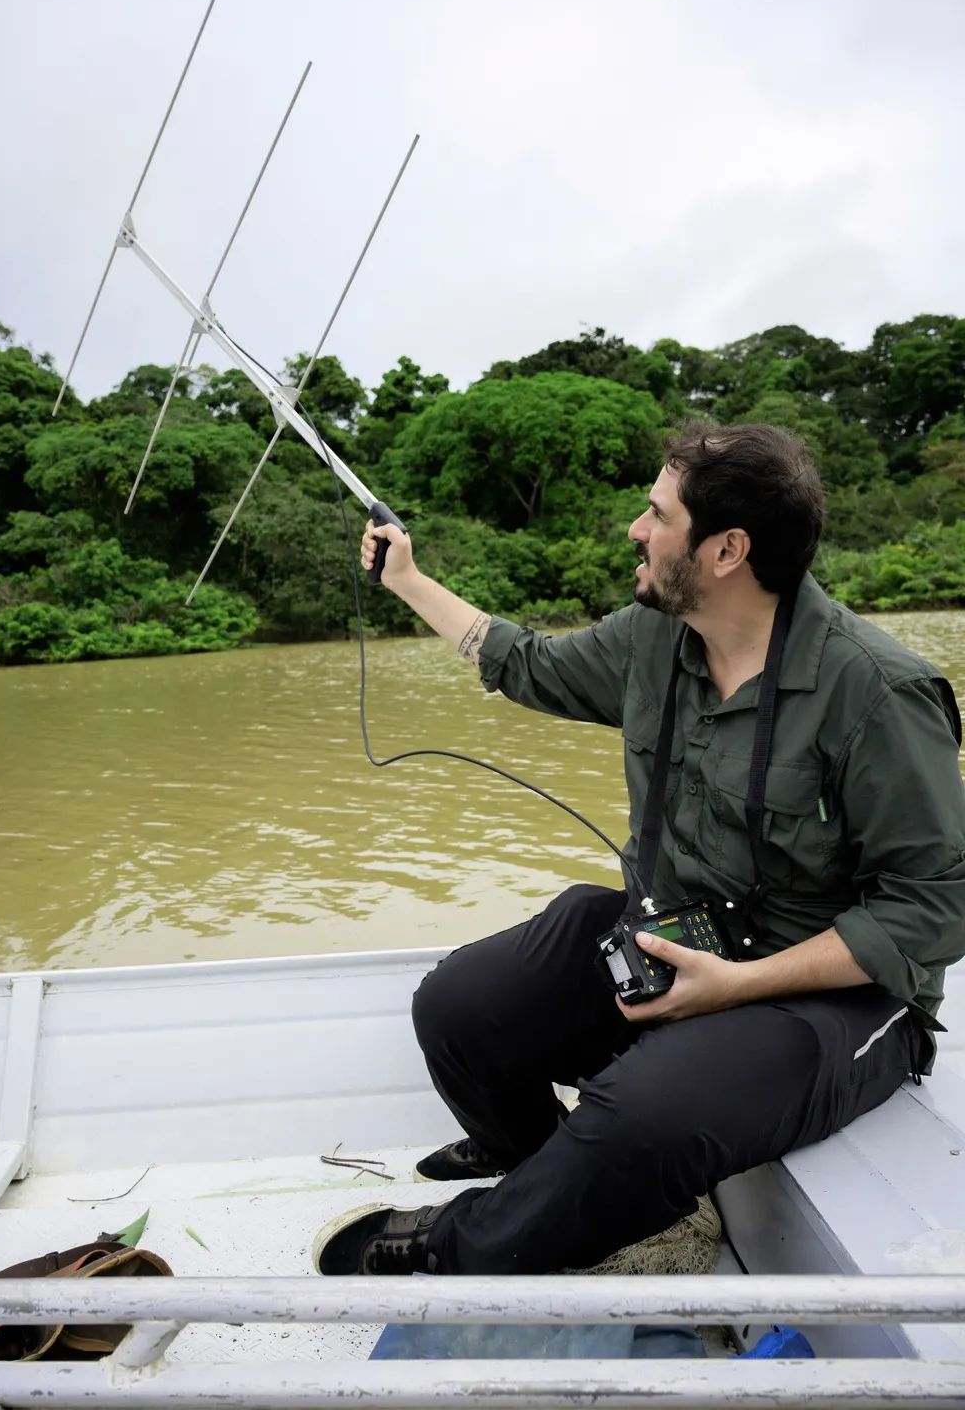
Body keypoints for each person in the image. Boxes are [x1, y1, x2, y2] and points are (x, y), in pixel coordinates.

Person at [313, 422, 965, 1278]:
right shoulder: (653, 637)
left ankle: (462, 1245)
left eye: (658, 514)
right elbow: (528, 663)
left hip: (835, 997)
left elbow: (936, 905)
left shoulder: (877, 692)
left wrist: (742, 984)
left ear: (727, 550)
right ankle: (536, 1163)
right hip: (681, 934)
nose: (636, 529)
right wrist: (407, 579)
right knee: (460, 1008)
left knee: (638, 1114)